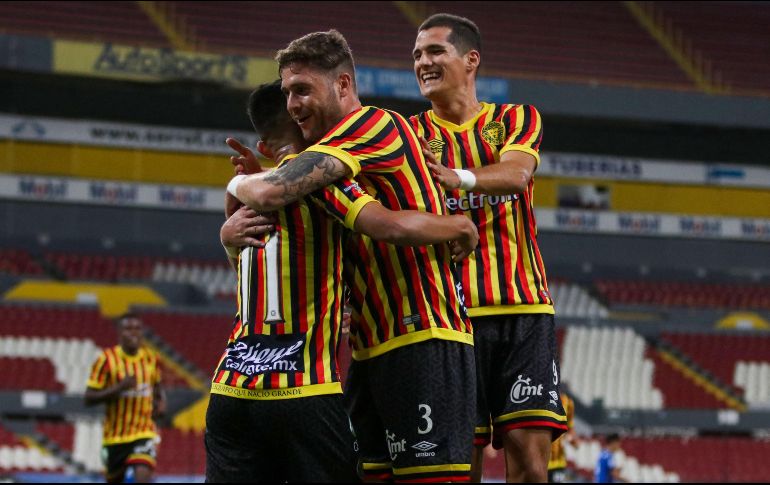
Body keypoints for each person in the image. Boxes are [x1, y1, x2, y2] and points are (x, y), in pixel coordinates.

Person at [226, 30, 477, 483]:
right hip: (369, 347)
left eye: (302, 90)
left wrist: (241, 184)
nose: (292, 105)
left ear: (343, 85)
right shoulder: (329, 163)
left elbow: (384, 223)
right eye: (286, 93)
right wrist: (232, 226)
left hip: (423, 337)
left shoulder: (369, 127)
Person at [409, 13, 568, 482]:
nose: (423, 62)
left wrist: (455, 177)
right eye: (417, 54)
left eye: (435, 51)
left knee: (532, 465)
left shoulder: (515, 118)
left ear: (470, 59)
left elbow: (517, 175)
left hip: (523, 312)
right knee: (461, 467)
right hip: (450, 321)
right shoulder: (409, 136)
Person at [85, 313, 166, 483]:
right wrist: (119, 388)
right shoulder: (106, 360)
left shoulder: (152, 359)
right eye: (128, 329)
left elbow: (158, 387)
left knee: (143, 474)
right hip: (115, 436)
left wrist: (161, 402)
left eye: (137, 329)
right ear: (120, 332)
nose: (133, 333)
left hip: (144, 431)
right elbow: (89, 398)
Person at [548, 387, 576, 482]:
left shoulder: (568, 402)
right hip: (541, 459)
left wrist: (573, 440)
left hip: (559, 461)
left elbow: (570, 428)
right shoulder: (541, 399)